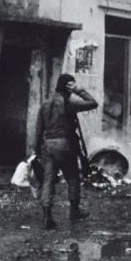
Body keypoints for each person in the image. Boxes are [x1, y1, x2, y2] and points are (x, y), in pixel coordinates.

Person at [34, 74, 98, 229]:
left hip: (48, 146)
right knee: (72, 178)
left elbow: (38, 131)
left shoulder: (45, 105)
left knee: (48, 180)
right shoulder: (69, 103)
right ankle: (74, 211)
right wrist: (79, 90)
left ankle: (47, 217)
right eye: (71, 85)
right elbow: (93, 103)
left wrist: (36, 151)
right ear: (68, 87)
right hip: (65, 145)